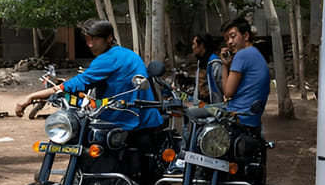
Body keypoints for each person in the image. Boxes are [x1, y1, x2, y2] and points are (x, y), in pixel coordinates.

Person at [15, 19, 162, 132]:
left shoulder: (108, 59)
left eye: (95, 39)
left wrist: (31, 97)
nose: (90, 44)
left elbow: (74, 84)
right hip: (142, 118)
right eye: (88, 39)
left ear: (109, 38)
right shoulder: (127, 54)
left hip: (125, 121)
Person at [220, 17, 270, 129]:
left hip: (238, 118)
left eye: (233, 36)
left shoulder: (242, 55)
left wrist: (223, 66)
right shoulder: (255, 53)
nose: (229, 42)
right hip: (252, 118)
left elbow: (228, 93)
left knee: (193, 114)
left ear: (246, 36)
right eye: (226, 39)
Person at [192, 32, 223, 104]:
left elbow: (221, 85)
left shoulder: (214, 63)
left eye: (194, 44)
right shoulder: (200, 62)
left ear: (201, 45)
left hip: (213, 105)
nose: (193, 47)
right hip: (200, 103)